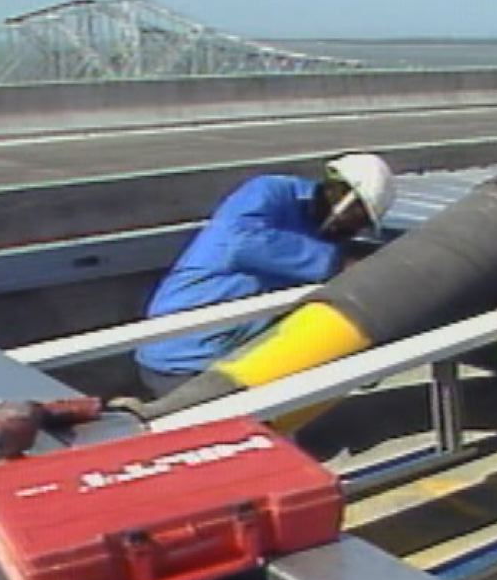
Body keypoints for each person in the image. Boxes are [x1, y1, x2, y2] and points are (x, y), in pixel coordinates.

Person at [134, 153, 395, 399]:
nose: (352, 231)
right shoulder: (270, 192)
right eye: (356, 219)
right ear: (340, 195)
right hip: (182, 357)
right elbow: (241, 241)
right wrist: (336, 262)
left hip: (231, 359)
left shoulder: (323, 239)